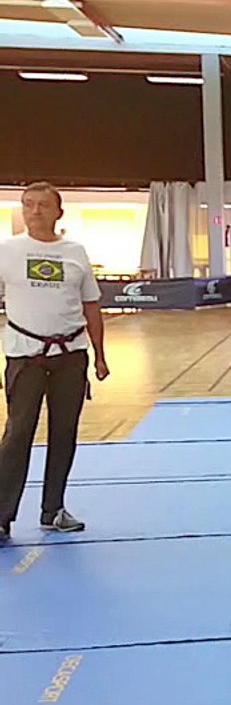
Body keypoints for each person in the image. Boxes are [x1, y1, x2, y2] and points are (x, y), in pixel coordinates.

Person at [0, 181, 110, 541]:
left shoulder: (75, 252)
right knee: (18, 435)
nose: (35, 211)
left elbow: (91, 305)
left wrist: (99, 355)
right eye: (28, 204)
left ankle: (54, 509)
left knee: (64, 433)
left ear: (58, 211)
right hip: (25, 357)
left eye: (43, 205)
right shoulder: (7, 251)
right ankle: (2, 516)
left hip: (69, 356)